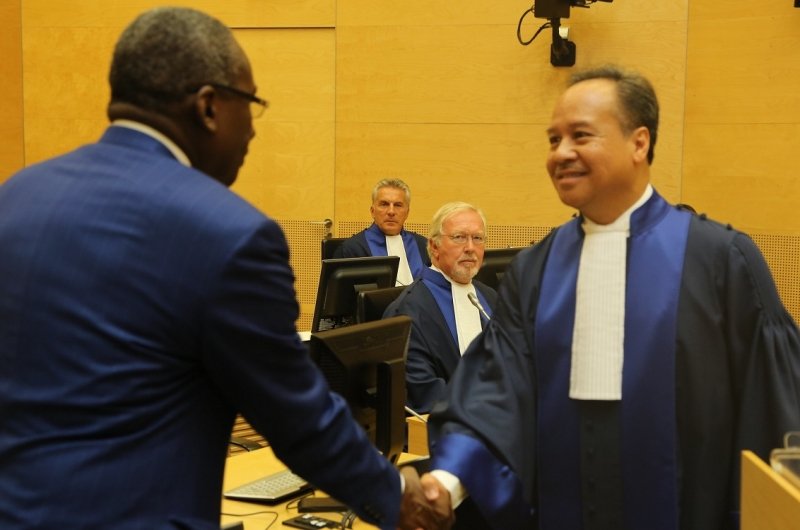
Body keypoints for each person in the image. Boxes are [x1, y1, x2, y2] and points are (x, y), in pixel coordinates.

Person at [0, 8, 453, 530]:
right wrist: (395, 493)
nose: (253, 133)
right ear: (210, 106)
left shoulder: (18, 196)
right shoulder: (229, 234)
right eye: (252, 105)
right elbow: (295, 416)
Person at [423, 65, 800, 530]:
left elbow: (775, 417)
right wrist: (447, 481)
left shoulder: (721, 261)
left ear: (639, 143)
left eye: (581, 136)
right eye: (552, 139)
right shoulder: (534, 271)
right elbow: (496, 393)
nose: (561, 153)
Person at [384, 202, 497, 414]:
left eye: (478, 238)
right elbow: (423, 393)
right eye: (459, 237)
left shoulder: (490, 297)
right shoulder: (406, 312)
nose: (470, 248)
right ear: (434, 247)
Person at [334, 179, 430, 286]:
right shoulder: (352, 250)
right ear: (372, 211)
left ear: (407, 212)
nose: (391, 212)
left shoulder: (424, 246)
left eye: (398, 205)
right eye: (384, 204)